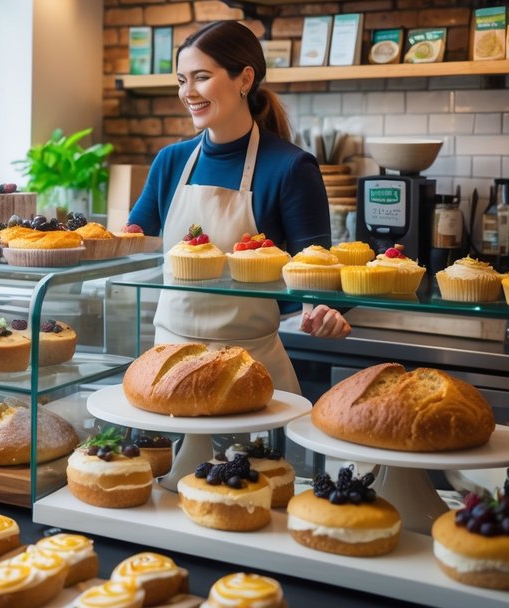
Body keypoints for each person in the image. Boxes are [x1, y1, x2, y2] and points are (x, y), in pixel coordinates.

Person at [127, 20, 350, 392]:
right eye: (182, 80)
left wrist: (321, 312)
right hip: (168, 366)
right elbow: (131, 243)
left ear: (244, 79)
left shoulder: (292, 167)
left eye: (201, 77)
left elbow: (315, 270)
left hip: (249, 372)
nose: (188, 92)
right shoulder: (170, 161)